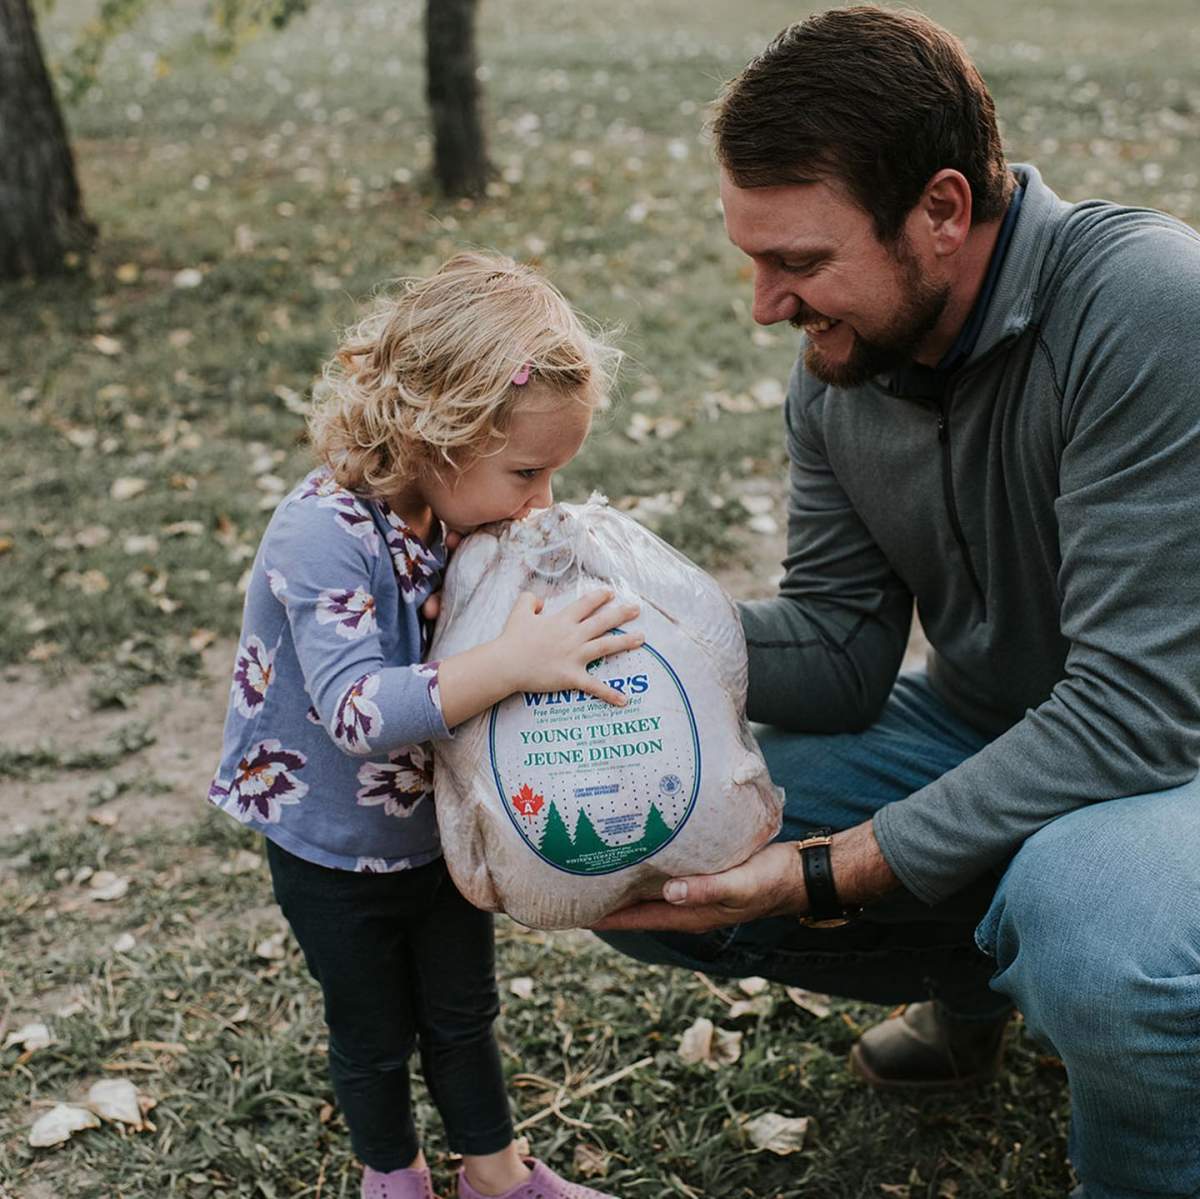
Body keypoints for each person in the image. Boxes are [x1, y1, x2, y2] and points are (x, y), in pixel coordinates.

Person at [593, 7, 1200, 1197]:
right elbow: (839, 648)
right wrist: (627, 635)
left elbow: (1139, 713)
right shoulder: (844, 365)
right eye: (753, 259)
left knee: (1099, 938)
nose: (767, 306)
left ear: (941, 210)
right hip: (1001, 722)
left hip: (1174, 756)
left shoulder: (1148, 305)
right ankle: (983, 979)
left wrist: (831, 869)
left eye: (800, 263)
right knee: (638, 820)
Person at [208, 252, 640, 1199]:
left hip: (435, 829)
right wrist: (509, 662)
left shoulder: (461, 514)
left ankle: (496, 1174)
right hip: (331, 843)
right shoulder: (320, 532)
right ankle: (392, 1177)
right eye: (528, 472)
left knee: (461, 1009)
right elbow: (358, 709)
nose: (541, 501)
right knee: (372, 1030)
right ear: (438, 435)